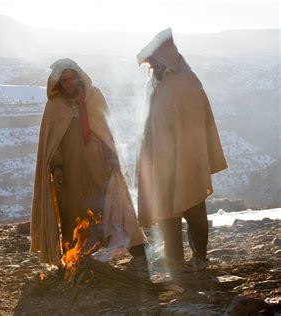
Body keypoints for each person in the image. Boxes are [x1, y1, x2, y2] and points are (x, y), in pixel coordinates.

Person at [31, 58, 147, 266]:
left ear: (79, 76)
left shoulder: (94, 98)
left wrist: (112, 156)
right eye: (64, 80)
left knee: (107, 206)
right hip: (70, 174)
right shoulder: (54, 107)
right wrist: (56, 167)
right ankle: (74, 257)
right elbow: (52, 145)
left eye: (71, 78)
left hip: (98, 166)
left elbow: (106, 131)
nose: (68, 83)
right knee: (72, 213)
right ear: (58, 83)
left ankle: (132, 249)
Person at [136, 28, 228, 272]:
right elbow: (148, 122)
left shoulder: (187, 82)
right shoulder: (153, 84)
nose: (152, 65)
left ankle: (199, 257)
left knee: (194, 206)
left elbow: (198, 123)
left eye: (155, 59)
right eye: (150, 61)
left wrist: (192, 154)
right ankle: (174, 259)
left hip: (188, 158)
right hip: (161, 160)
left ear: (166, 57)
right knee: (166, 211)